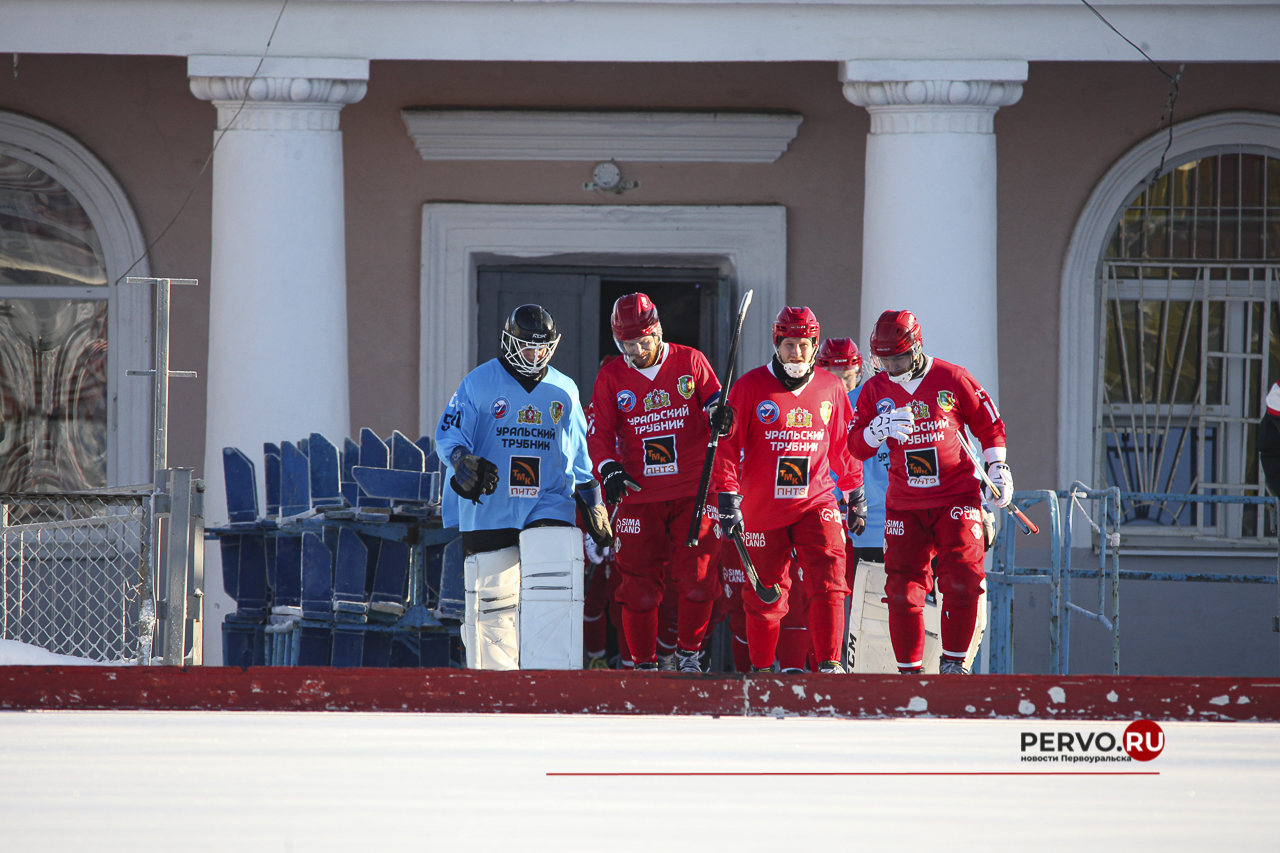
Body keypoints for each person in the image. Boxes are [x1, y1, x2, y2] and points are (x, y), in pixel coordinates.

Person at [435, 304, 612, 670]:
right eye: (527, 347)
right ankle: (495, 682)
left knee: (553, 586)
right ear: (509, 341)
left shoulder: (564, 389)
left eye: (541, 348)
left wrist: (592, 499)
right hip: (490, 501)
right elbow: (450, 433)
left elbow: (579, 450)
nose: (535, 355)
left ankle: (551, 673)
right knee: (492, 598)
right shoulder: (479, 383)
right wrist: (461, 461)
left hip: (547, 499)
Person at [847, 310, 1012, 675]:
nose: (891, 365)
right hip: (905, 503)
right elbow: (855, 445)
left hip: (956, 495)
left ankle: (954, 664)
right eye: (884, 358)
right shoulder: (875, 389)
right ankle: (910, 672)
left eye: (899, 357)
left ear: (917, 348)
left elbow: (989, 423)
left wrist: (998, 467)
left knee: (962, 581)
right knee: (903, 591)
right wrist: (876, 430)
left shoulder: (951, 377)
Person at [711, 306, 865, 674]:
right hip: (763, 507)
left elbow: (843, 445)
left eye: (803, 345)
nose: (796, 353)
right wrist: (727, 497)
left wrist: (855, 491)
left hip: (816, 500)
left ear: (814, 346)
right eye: (789, 345)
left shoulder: (830, 386)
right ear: (777, 344)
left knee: (830, 581)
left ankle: (829, 664)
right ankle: (763, 671)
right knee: (765, 593)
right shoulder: (749, 387)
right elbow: (728, 449)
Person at [588, 293, 723, 672]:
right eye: (627, 343)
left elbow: (713, 401)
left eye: (643, 340)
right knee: (639, 588)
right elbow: (599, 433)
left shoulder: (690, 361)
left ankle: (687, 655)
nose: (636, 349)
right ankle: (643, 664)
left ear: (658, 330)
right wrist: (609, 468)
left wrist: (719, 414)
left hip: (693, 490)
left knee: (697, 580)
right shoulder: (612, 376)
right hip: (639, 493)